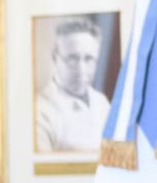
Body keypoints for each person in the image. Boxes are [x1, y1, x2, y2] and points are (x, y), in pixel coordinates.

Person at [36, 17, 111, 153]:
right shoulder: (40, 112)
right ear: (55, 58)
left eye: (89, 59)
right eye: (72, 58)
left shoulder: (102, 102)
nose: (81, 70)